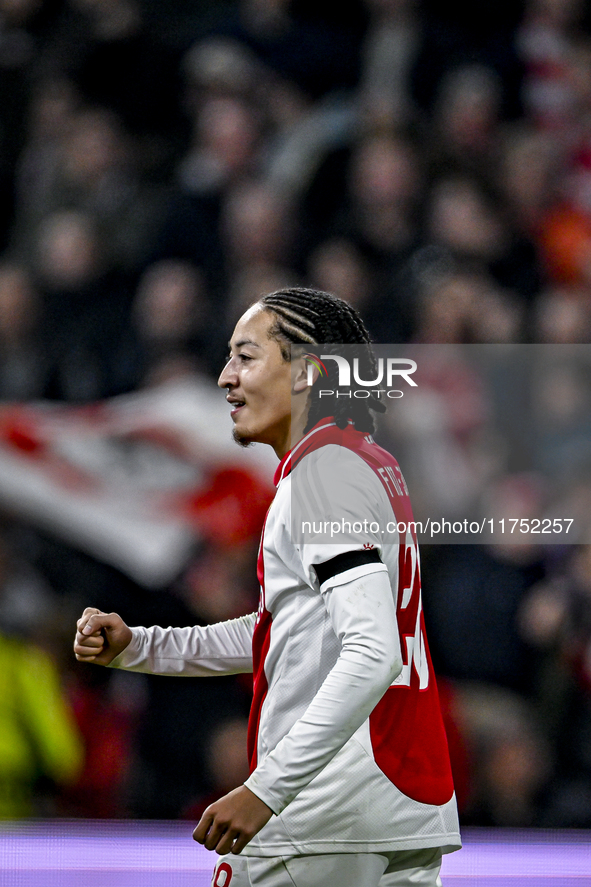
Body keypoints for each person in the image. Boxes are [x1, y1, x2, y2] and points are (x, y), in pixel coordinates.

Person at [74, 287, 461, 886]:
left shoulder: (322, 475)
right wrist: (140, 645)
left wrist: (265, 790)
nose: (226, 378)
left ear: (308, 373)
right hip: (394, 803)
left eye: (246, 357)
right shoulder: (364, 461)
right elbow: (289, 634)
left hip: (323, 813)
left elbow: (372, 649)